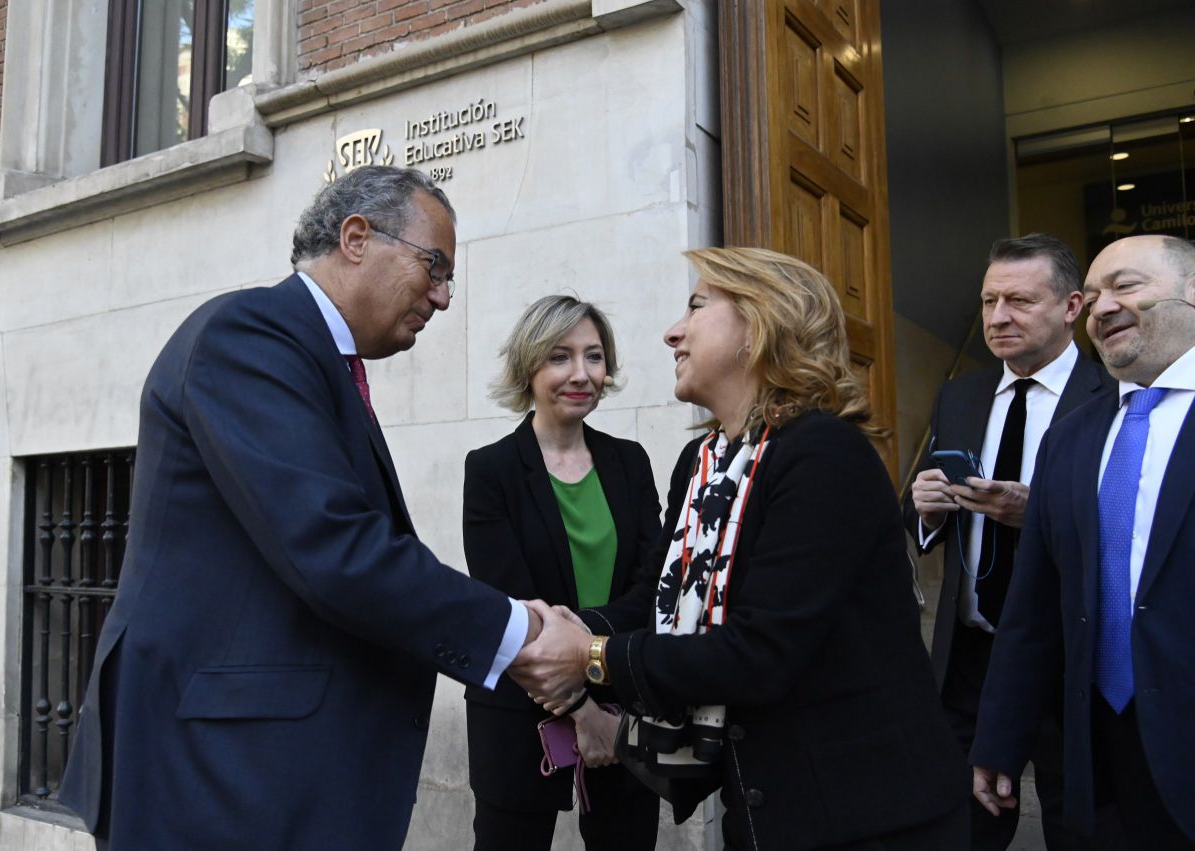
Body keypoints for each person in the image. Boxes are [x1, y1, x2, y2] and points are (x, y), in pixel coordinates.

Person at [60, 166, 548, 850]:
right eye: (434, 267)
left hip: (262, 773)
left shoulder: (315, 358)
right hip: (216, 779)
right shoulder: (249, 337)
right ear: (356, 237)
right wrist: (515, 632)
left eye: (449, 280)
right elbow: (334, 548)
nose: (441, 298)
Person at [510, 247, 969, 850]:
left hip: (869, 817)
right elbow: (654, 597)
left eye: (697, 307)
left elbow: (760, 652)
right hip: (763, 810)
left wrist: (590, 656)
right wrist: (558, 629)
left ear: (759, 326)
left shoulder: (823, 455)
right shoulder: (702, 465)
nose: (673, 331)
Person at [972, 234, 1195, 847]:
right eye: (1093, 295)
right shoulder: (1070, 439)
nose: (1102, 307)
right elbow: (1035, 606)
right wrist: (1000, 739)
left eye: (1126, 286)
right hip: (1095, 764)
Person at [904, 233, 1115, 848]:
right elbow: (921, 518)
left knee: (1079, 827)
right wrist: (928, 511)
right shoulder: (960, 394)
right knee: (959, 830)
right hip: (971, 659)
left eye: (1019, 301)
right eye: (989, 300)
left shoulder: (1113, 395)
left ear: (1072, 307)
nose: (997, 318)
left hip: (1073, 655)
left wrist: (1043, 512)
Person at [462, 295, 661, 851]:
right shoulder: (490, 470)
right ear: (530, 367)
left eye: (594, 357)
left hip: (625, 701)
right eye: (559, 357)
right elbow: (513, 612)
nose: (581, 374)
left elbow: (654, 587)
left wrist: (586, 651)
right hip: (521, 714)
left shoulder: (631, 461)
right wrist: (582, 711)